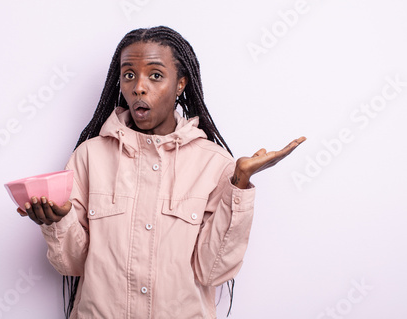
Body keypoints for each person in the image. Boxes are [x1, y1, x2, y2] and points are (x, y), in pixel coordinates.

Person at [17, 26, 305, 319]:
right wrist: (56, 222)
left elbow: (212, 270)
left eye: (155, 75)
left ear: (180, 84)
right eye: (129, 74)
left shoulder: (214, 164)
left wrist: (240, 183)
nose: (139, 87)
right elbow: (72, 265)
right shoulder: (89, 156)